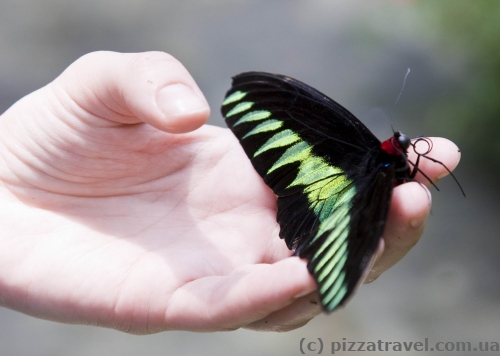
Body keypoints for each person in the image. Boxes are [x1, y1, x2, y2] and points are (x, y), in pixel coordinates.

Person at [0, 51, 461, 333]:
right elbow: (253, 99)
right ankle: (331, 249)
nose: (403, 147)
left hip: (324, 191)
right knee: (386, 207)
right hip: (323, 192)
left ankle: (331, 249)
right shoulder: (379, 156)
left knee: (389, 207)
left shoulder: (374, 156)